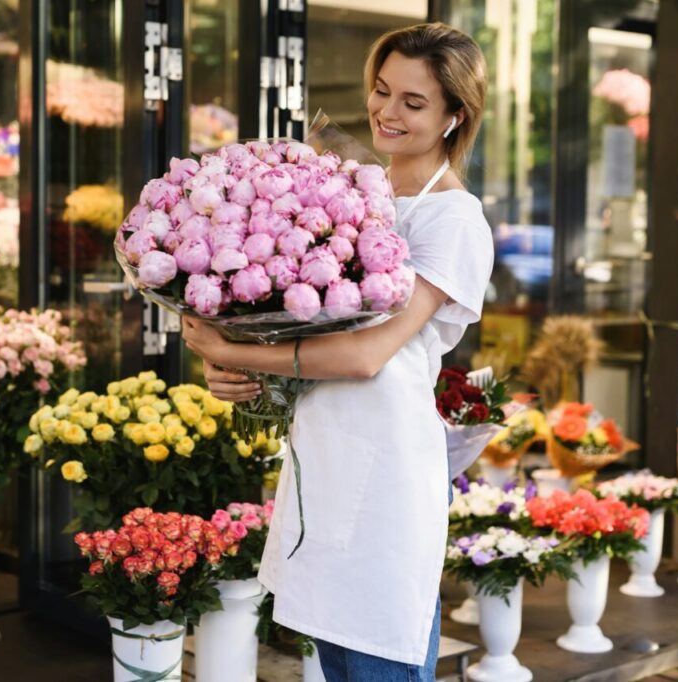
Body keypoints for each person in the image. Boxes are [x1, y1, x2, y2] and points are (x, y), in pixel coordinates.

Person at [181, 22, 493, 681]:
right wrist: (237, 360)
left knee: (379, 660)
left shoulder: (453, 218)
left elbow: (365, 357)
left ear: (453, 116)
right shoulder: (349, 194)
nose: (387, 111)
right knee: (333, 664)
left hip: (387, 476)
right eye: (382, 91)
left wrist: (232, 348)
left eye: (414, 102)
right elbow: (310, 341)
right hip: (323, 460)